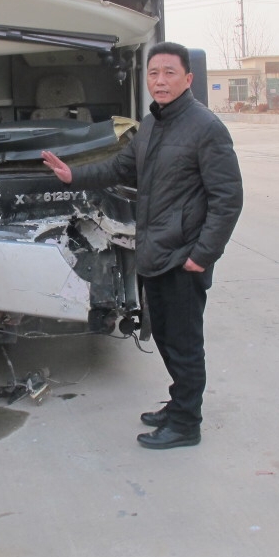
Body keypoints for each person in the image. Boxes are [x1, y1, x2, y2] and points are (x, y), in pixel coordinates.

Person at [42, 42, 243, 450]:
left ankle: (186, 423)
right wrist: (73, 176)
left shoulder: (206, 128)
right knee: (166, 337)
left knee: (185, 344)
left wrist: (202, 255)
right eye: (154, 73)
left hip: (184, 257)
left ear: (188, 79)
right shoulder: (151, 125)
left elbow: (228, 200)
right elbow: (120, 167)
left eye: (169, 73)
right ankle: (179, 403)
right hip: (155, 251)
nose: (160, 81)